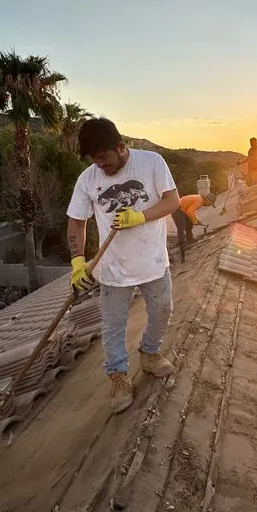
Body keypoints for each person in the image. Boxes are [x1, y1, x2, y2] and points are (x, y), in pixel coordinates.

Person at [66, 117, 180, 414]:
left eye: (103, 158)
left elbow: (172, 201)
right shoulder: (88, 179)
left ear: (120, 147)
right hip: (113, 269)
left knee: (163, 310)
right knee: (113, 325)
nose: (100, 165)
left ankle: (150, 353)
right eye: (94, 160)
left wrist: (141, 216)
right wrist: (78, 261)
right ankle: (118, 376)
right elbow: (77, 222)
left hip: (153, 261)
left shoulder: (151, 163)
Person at [171, 192, 216, 263]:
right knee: (181, 229)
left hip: (181, 209)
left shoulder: (199, 199)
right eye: (210, 204)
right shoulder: (200, 201)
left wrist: (196, 220)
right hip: (177, 210)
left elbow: (190, 211)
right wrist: (194, 221)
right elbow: (189, 212)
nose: (209, 205)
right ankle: (182, 248)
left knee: (189, 224)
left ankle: (189, 239)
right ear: (208, 201)